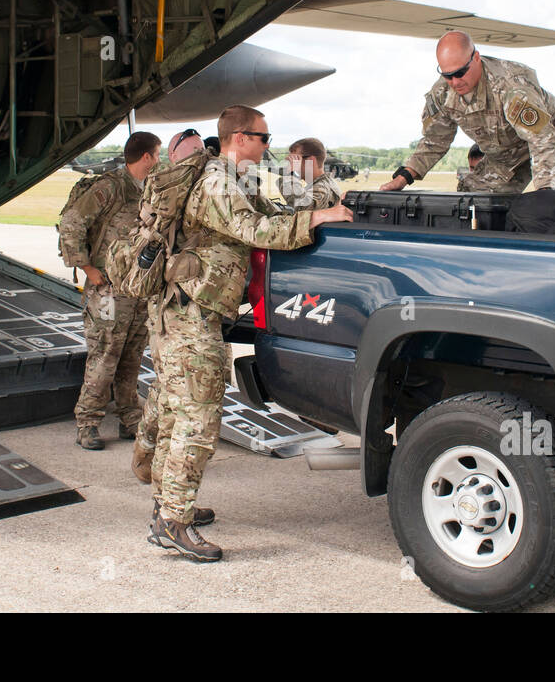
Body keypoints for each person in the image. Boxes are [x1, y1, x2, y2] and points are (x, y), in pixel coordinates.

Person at [147, 105, 353, 561]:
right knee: (196, 420)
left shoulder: (234, 181)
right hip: (190, 317)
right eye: (264, 137)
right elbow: (256, 229)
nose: (268, 146)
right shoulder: (220, 183)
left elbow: (271, 212)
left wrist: (314, 209)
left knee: (177, 415)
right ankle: (172, 522)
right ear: (240, 138)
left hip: (190, 314)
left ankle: (170, 506)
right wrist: (317, 220)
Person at [381, 30, 555, 195]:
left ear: (476, 58)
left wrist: (545, 194)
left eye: (460, 73)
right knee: (471, 199)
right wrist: (404, 177)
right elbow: (434, 141)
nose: (455, 82)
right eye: (447, 75)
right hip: (507, 154)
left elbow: (543, 140)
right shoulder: (443, 93)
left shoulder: (510, 85)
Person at [59, 131, 162, 450]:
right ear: (147, 156)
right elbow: (72, 222)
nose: (159, 161)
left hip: (136, 291)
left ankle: (129, 419)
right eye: (158, 155)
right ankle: (87, 423)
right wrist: (86, 267)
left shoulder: (148, 191)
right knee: (104, 355)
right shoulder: (110, 186)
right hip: (107, 290)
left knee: (131, 357)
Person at [132, 128, 204, 484]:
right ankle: (157, 476)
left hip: (162, 303)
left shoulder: (162, 187)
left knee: (164, 390)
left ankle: (146, 460)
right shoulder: (191, 185)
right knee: (174, 399)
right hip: (176, 308)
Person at [279, 137, 342, 210]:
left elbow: (301, 209)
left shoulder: (323, 189)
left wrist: (291, 175)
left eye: (295, 160)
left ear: (310, 161)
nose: (290, 165)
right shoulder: (318, 186)